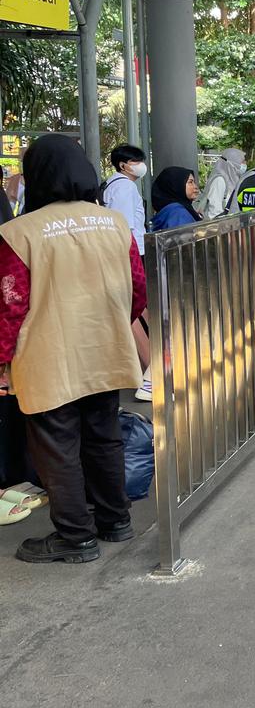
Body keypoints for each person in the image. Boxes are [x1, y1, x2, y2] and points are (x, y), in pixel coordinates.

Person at [0, 134, 147, 563]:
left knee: (56, 444)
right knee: (104, 435)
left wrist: (3, 360)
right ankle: (115, 520)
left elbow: (10, 305)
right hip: (106, 348)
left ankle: (75, 537)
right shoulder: (113, 223)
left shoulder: (17, 233)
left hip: (49, 358)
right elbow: (137, 291)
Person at [102, 144, 150, 401]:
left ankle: (147, 369)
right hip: (129, 253)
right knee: (133, 308)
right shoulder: (123, 186)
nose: (140, 165)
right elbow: (125, 227)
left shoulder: (113, 185)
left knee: (135, 309)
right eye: (136, 161)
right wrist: (130, 260)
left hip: (126, 252)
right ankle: (149, 371)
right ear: (123, 165)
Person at [199, 147, 246, 217]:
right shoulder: (219, 181)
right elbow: (214, 212)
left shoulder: (233, 180)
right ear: (232, 163)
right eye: (242, 162)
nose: (244, 164)